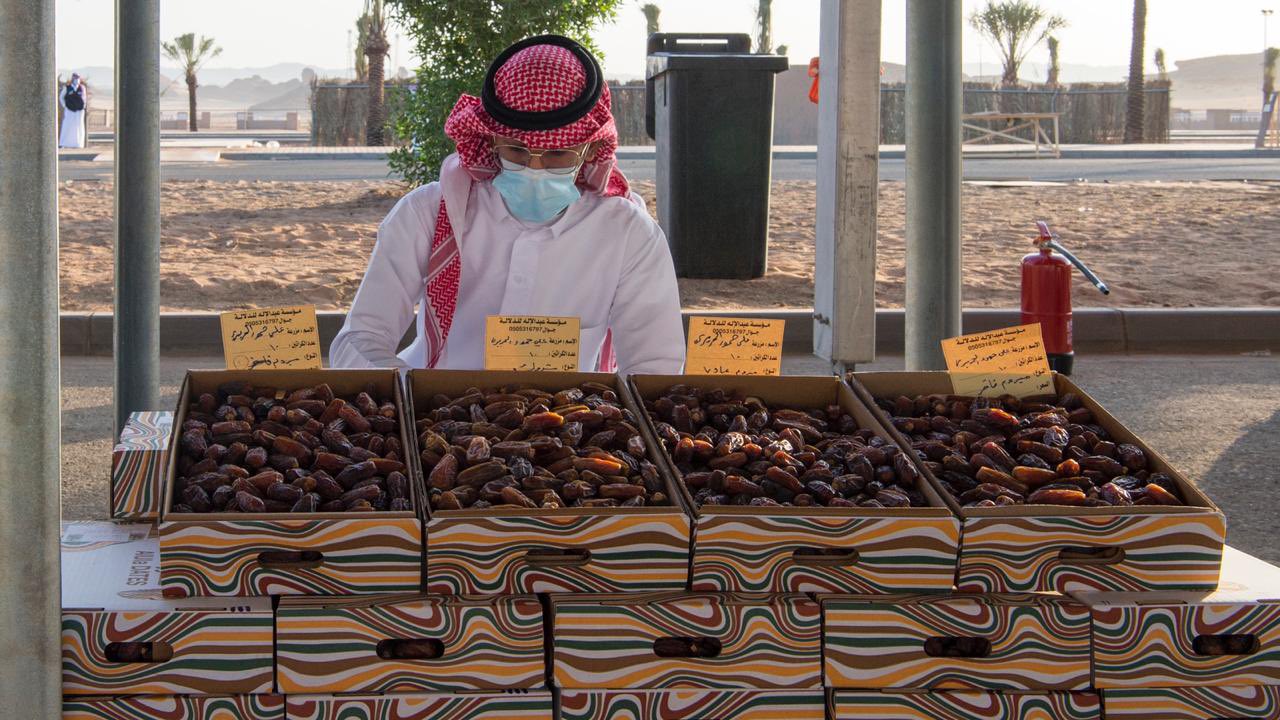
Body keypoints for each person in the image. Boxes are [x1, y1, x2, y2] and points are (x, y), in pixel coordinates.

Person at [330, 35, 684, 375]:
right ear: (491, 140)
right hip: (431, 408)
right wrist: (413, 394)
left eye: (558, 155)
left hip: (568, 414)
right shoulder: (428, 213)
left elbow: (654, 366)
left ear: (590, 149)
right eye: (516, 151)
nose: (534, 168)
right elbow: (358, 341)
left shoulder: (628, 234)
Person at [59, 73, 87, 149]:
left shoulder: (82, 88)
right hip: (70, 110)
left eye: (78, 78)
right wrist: (65, 106)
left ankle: (78, 144)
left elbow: (84, 98)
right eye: (75, 78)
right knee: (67, 125)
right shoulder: (67, 88)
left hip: (79, 111)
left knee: (79, 126)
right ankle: (64, 143)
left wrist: (83, 106)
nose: (76, 80)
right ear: (72, 79)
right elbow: (61, 97)